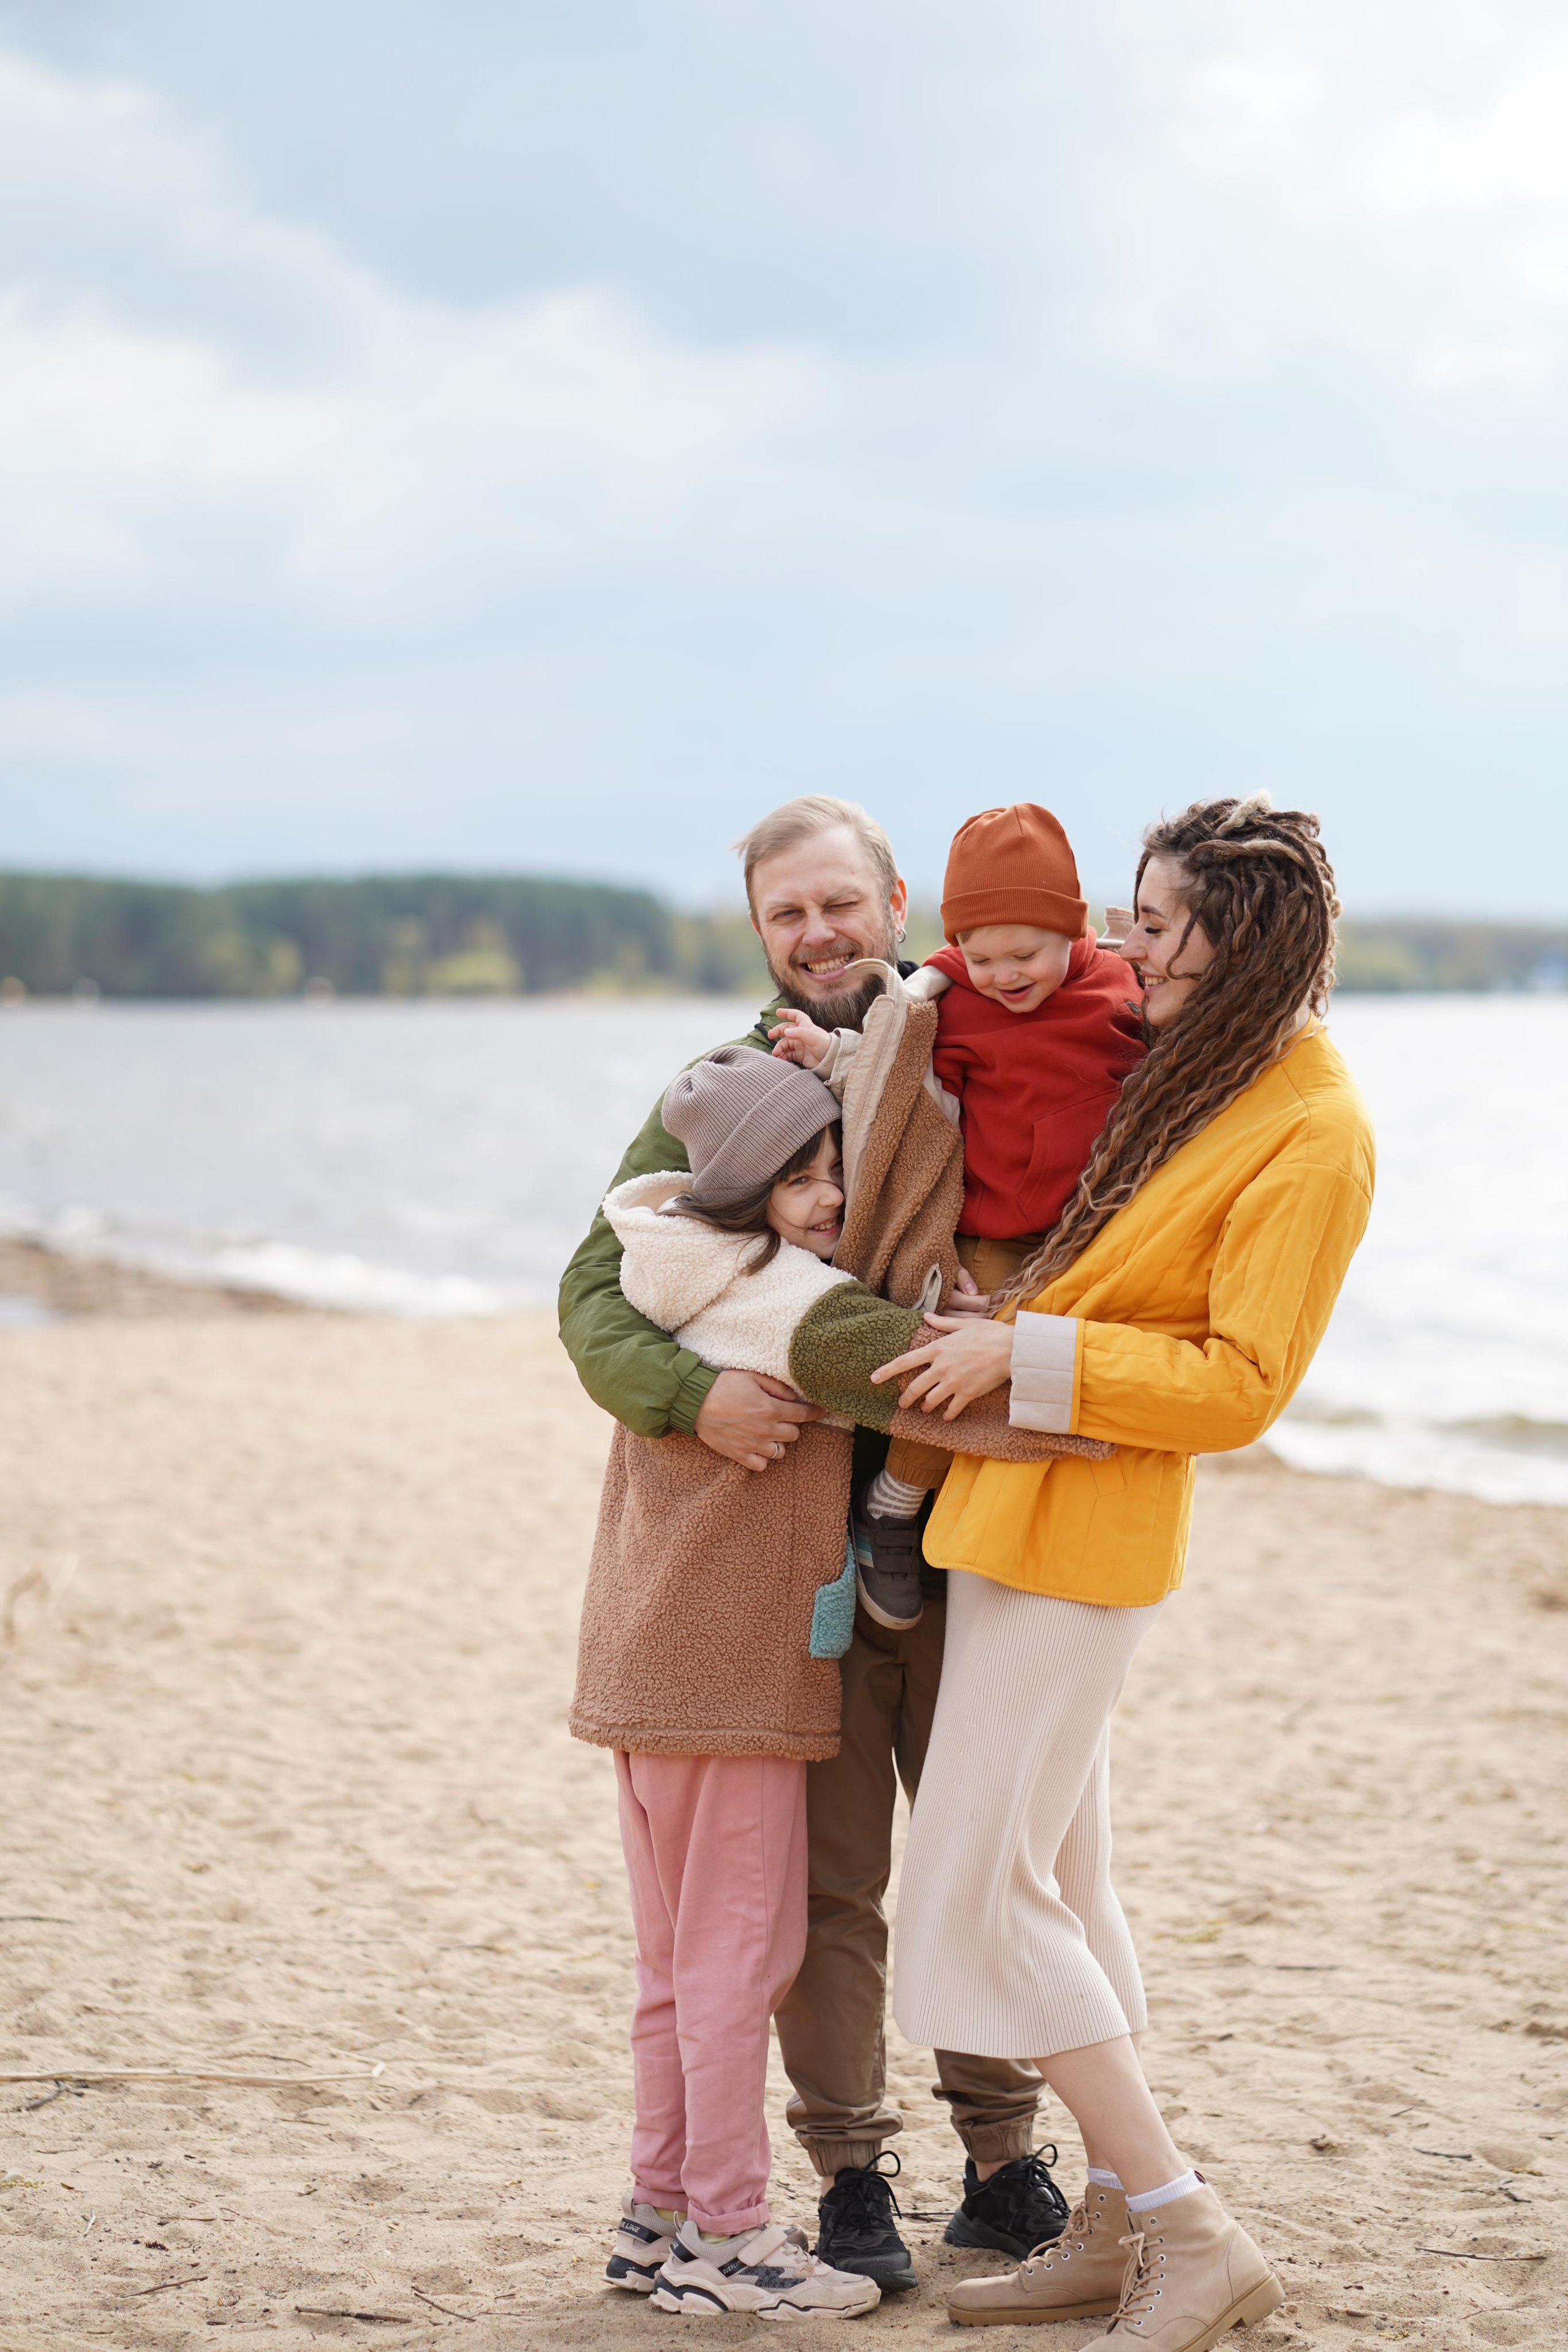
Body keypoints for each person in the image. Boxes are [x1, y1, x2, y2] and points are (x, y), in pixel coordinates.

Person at [848, 794, 1375, 2346]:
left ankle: (1185, 2225)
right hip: (1012, 1519)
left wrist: (1024, 1352)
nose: (1119, 947)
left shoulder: (1311, 1126)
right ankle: (1106, 2217)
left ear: (1241, 937)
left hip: (1091, 1533)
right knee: (1064, 1881)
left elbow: (1241, 1382)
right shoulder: (1206, 1071)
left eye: (1151, 925)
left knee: (972, 1887)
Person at [559, 796, 1068, 2293]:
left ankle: (1004, 2155)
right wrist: (688, 1395)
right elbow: (600, 1287)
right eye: (787, 915)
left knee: (986, 1859)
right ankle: (848, 2173)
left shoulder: (980, 1041)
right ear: (762, 935)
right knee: (828, 1884)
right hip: (803, 1571)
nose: (817, 934)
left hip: (976, 1531)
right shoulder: (724, 1093)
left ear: (896, 899)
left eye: (838, 903)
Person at [571, 1049, 880, 2318]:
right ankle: (731, 2239)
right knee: (738, 1960)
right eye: (795, 1178)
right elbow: (912, 1367)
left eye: (835, 1172)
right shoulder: (787, 1304)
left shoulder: (665, 1271)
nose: (823, 1200)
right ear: (742, 1188)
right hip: (732, 1678)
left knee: (672, 1964)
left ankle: (655, 2217)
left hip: (645, 1666)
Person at [770, 802, 1143, 1632]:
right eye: (982, 956)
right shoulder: (949, 998)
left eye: (1027, 954)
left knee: (1054, 1362)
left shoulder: (1120, 991)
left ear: (1074, 931)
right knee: (954, 1355)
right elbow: (888, 1067)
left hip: (1079, 1231)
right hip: (982, 1229)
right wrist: (830, 1054)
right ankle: (894, 1506)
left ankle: (1028, 1517)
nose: (1005, 975)